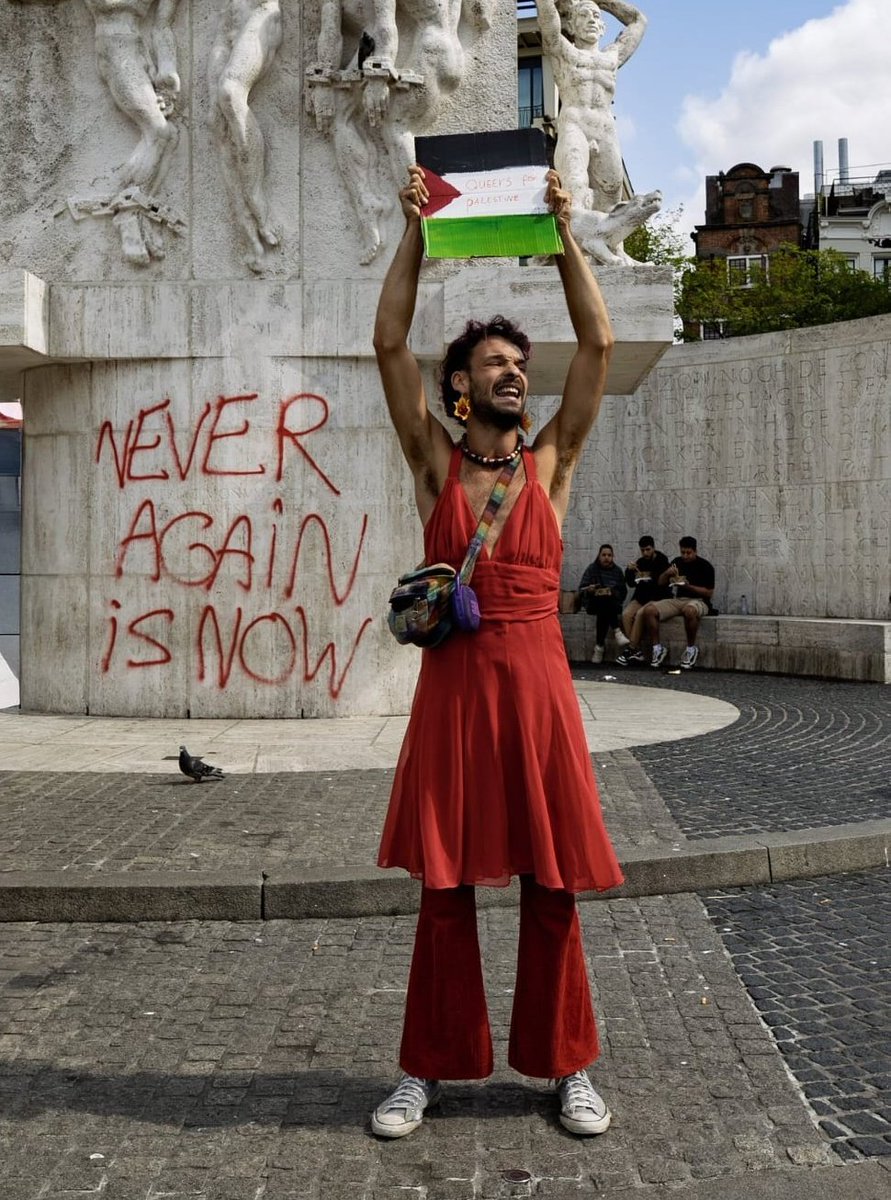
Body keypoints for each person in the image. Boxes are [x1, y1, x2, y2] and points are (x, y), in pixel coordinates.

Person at [371, 165, 623, 1139]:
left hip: (539, 696)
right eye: (494, 363)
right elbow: (387, 342)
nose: (514, 372)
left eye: (519, 362)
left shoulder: (550, 464)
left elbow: (597, 345)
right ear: (459, 388)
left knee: (551, 884)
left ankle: (567, 1065)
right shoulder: (433, 460)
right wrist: (413, 231)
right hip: (453, 697)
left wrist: (562, 236)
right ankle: (426, 1068)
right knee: (444, 888)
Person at [536, 0, 647, 215]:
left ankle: (605, 237)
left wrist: (602, 3)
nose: (591, 21)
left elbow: (638, 20)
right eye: (584, 15)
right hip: (575, 125)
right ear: (571, 25)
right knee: (574, 188)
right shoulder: (564, 52)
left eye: (596, 17)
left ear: (603, 27)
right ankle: (575, 235)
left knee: (611, 194)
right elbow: (548, 19)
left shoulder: (612, 57)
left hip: (604, 128)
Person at [209, 0, 283, 274]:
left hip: (260, 15)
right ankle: (246, 225)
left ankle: (256, 197)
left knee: (230, 91)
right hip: (226, 23)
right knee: (216, 124)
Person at [642, 536, 715, 670]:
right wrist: (667, 573)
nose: (685, 556)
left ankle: (691, 649)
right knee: (649, 610)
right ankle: (657, 648)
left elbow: (709, 592)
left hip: (699, 601)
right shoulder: (677, 562)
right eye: (683, 552)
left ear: (695, 551)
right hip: (678, 599)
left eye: (688, 553)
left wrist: (688, 586)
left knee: (689, 611)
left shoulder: (705, 566)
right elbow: (660, 582)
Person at [615, 534, 669, 666]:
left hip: (656, 597)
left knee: (640, 614)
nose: (645, 553)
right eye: (643, 550)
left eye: (648, 550)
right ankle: (636, 651)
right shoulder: (640, 562)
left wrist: (647, 578)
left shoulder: (661, 560)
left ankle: (631, 649)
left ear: (653, 548)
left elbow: (660, 582)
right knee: (626, 614)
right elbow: (631, 583)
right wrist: (629, 571)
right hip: (641, 597)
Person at [578, 543, 627, 663]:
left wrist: (613, 592)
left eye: (609, 555)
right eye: (604, 555)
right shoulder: (592, 569)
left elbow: (623, 592)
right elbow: (581, 590)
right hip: (593, 603)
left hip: (612, 604)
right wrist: (589, 590)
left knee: (605, 606)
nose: (606, 558)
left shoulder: (617, 571)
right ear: (599, 556)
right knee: (603, 602)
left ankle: (599, 647)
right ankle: (617, 631)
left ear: (612, 557)